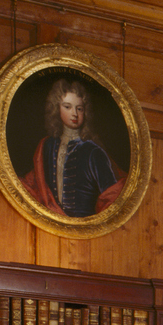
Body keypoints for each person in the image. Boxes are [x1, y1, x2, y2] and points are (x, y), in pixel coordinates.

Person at [20, 75, 124, 219]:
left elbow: (112, 197)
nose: (75, 113)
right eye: (68, 107)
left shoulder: (93, 152)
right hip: (48, 222)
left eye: (79, 108)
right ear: (56, 108)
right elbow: (35, 182)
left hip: (84, 229)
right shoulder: (47, 145)